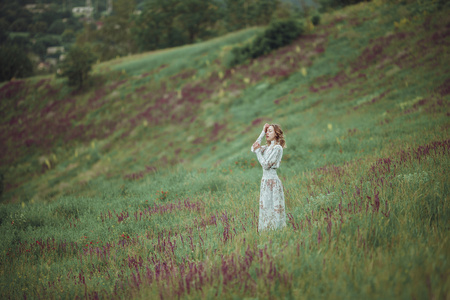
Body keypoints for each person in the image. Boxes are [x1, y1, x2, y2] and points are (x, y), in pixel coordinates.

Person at [251, 123, 287, 232]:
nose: (268, 133)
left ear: (276, 134)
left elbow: (266, 165)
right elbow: (253, 148)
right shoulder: (267, 147)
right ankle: (267, 232)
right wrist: (262, 132)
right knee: (265, 208)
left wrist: (258, 152)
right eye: (267, 131)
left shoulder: (277, 148)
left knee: (274, 208)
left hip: (273, 182)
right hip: (265, 182)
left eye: (270, 131)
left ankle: (277, 232)